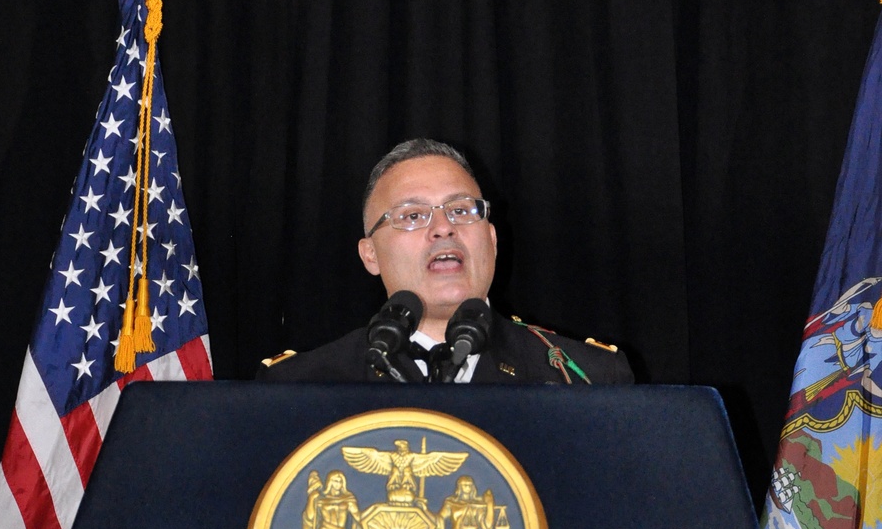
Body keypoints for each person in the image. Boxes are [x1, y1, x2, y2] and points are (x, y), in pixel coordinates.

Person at [256, 138, 633, 384]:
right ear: (370, 255)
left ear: (492, 239)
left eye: (461, 210)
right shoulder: (301, 386)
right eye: (413, 215)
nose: (443, 228)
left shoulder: (587, 378)